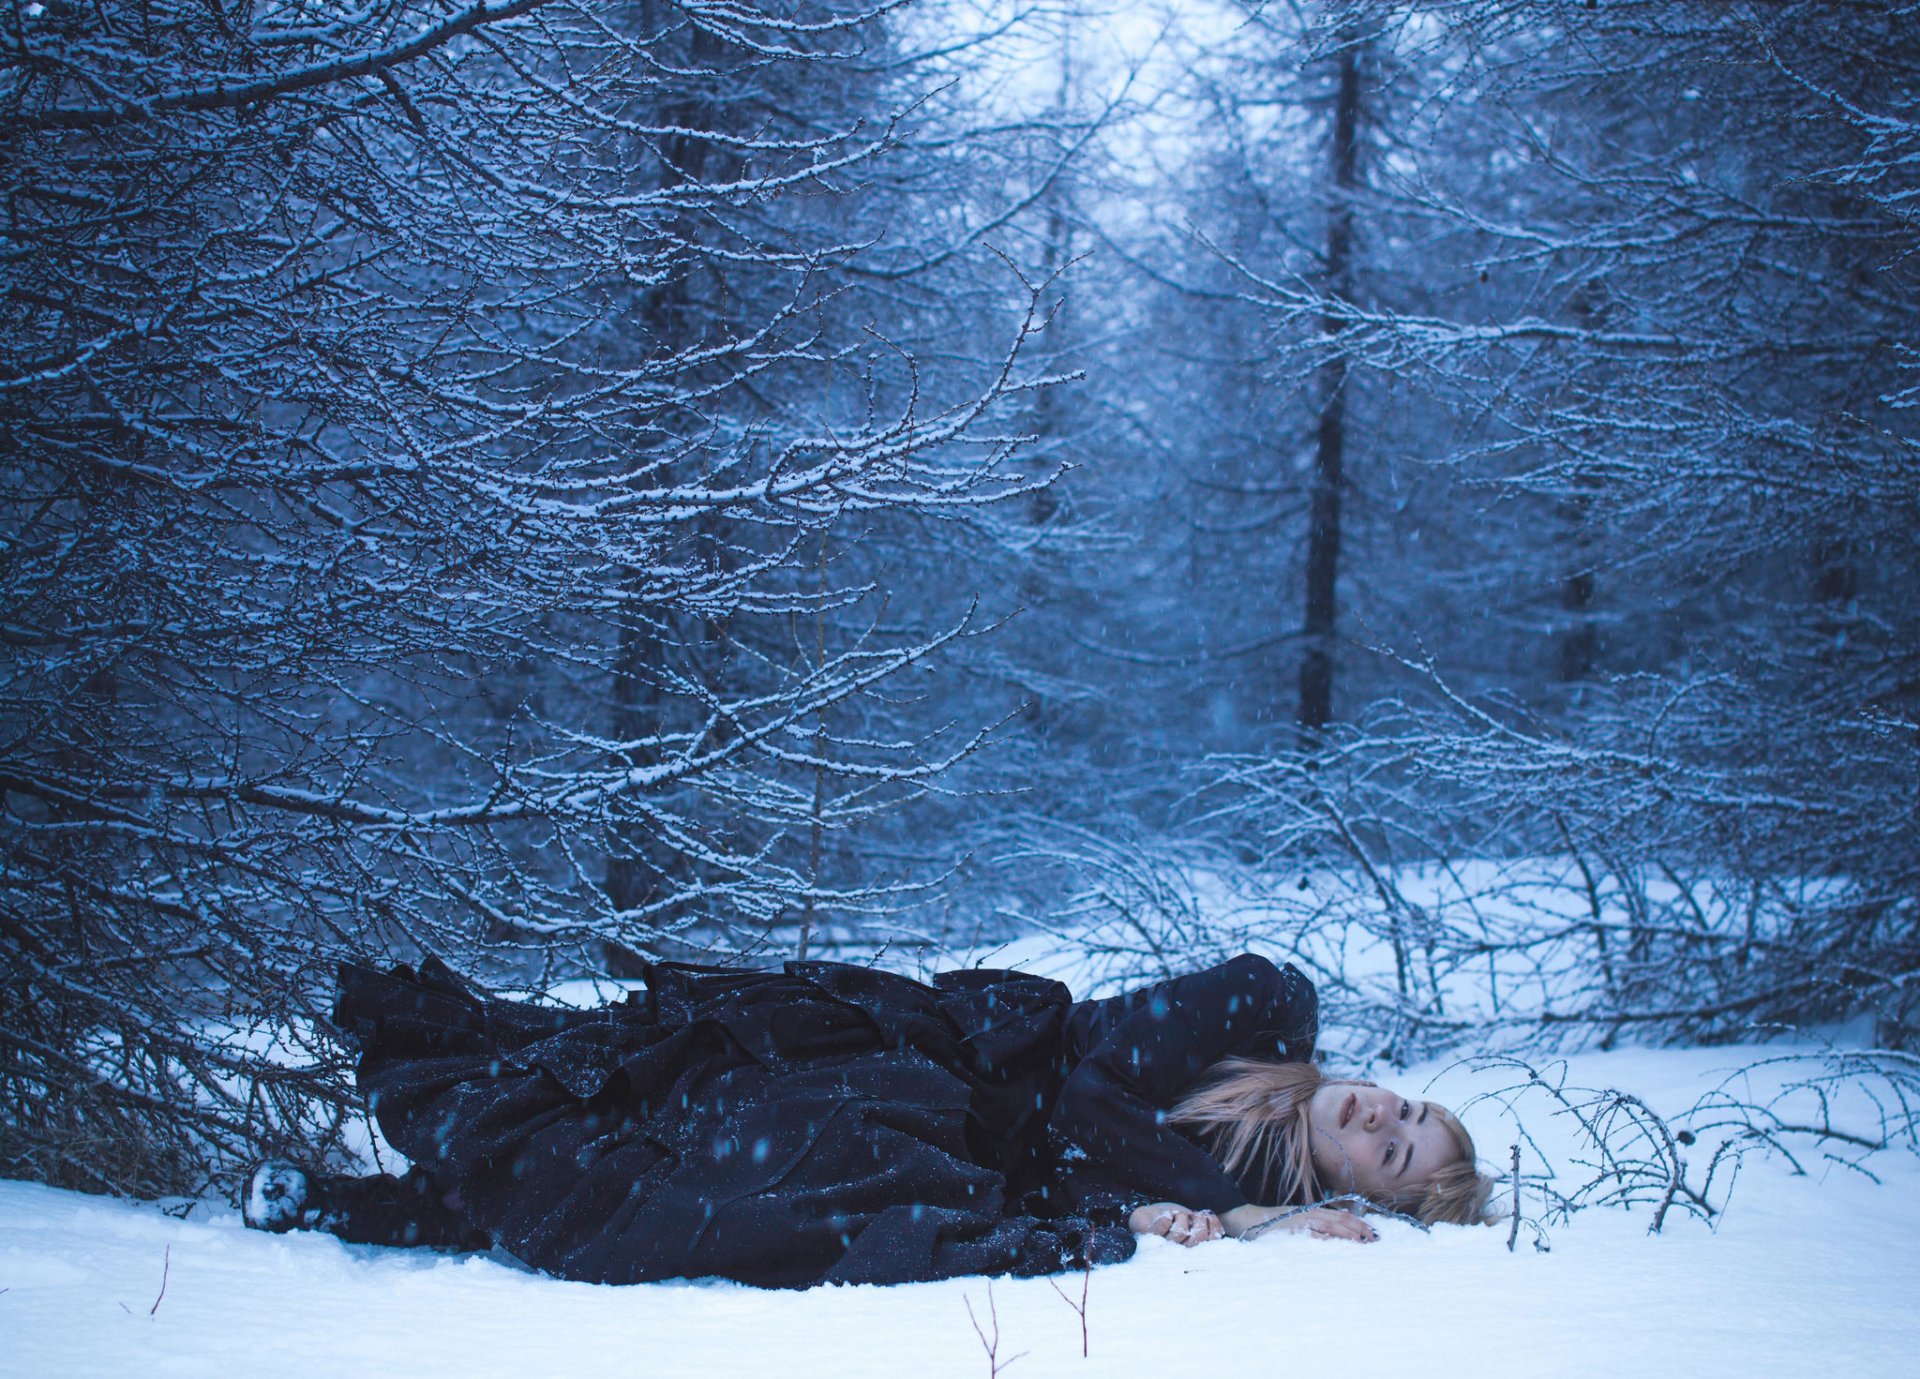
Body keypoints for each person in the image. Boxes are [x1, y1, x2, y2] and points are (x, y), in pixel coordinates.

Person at [245, 952, 1493, 1286]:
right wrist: (1226, 1205)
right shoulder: (1266, 1009)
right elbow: (1085, 1089)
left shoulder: (1241, 1178)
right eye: (1412, 1108)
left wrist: (1170, 1208)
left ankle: (390, 1209)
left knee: (718, 1207)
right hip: (933, 1055)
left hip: (954, 1145)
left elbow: (1076, 1165)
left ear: (1357, 1191)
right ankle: (439, 1125)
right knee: (661, 1083)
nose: (1386, 1111)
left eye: (1390, 1152)